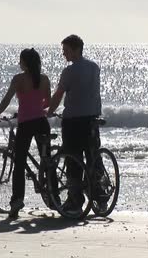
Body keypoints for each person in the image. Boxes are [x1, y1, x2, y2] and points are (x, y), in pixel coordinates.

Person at [0, 48, 51, 219]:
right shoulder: (44, 79)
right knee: (47, 161)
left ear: (25, 62)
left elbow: (6, 100)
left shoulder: (19, 79)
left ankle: (17, 201)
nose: (19, 63)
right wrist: (35, 108)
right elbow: (47, 103)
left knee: (19, 162)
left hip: (26, 124)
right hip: (42, 123)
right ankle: (54, 196)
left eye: (20, 60)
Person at [47, 34, 104, 212]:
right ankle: (100, 196)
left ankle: (75, 201)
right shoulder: (94, 67)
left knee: (73, 159)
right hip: (92, 119)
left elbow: (58, 95)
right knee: (93, 156)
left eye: (66, 50)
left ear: (76, 49)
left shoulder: (69, 72)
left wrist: (48, 111)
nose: (64, 54)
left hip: (74, 121)